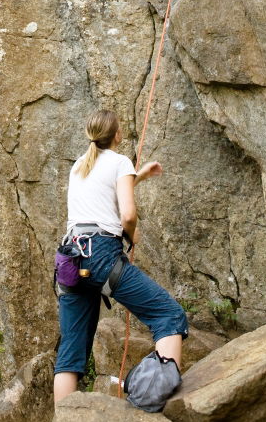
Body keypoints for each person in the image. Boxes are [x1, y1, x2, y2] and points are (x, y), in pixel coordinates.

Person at [53, 109, 189, 405]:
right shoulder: (119, 161)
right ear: (117, 135)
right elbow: (126, 214)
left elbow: (102, 197)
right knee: (169, 315)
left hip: (70, 260)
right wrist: (132, 233)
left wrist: (137, 177)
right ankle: (160, 402)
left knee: (70, 353)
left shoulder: (79, 165)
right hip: (101, 256)